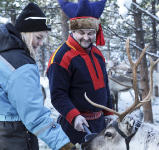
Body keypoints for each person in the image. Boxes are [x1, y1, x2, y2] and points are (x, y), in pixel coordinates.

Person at [0, 2, 76, 150]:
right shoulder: (21, 65)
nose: (41, 43)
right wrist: (65, 146)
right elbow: (35, 116)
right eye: (39, 37)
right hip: (15, 135)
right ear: (27, 32)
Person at [46, 0, 115, 144]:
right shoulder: (61, 57)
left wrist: (108, 113)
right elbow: (58, 95)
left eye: (90, 33)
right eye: (81, 32)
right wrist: (74, 116)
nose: (86, 37)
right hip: (75, 126)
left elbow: (105, 87)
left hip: (100, 124)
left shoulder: (97, 54)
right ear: (73, 31)